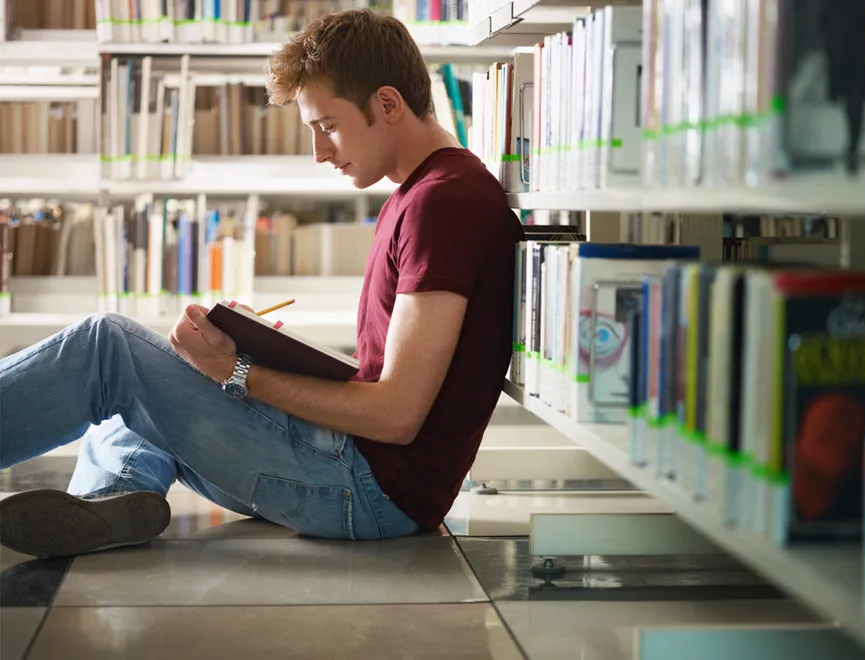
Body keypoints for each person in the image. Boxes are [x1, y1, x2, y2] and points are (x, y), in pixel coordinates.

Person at [0, 8, 525, 557]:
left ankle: (114, 491)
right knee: (146, 389)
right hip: (362, 476)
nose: (319, 151)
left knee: (105, 348)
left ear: (388, 104)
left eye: (328, 126)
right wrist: (257, 355)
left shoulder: (444, 202)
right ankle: (114, 500)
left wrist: (239, 372)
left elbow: (396, 415)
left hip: (368, 492)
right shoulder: (425, 194)